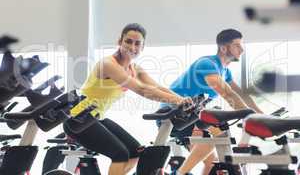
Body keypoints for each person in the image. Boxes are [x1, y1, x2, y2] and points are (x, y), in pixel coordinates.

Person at [63, 23, 192, 175]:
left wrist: (185, 101)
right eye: (128, 41)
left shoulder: (134, 69)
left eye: (138, 43)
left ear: (143, 47)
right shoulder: (108, 64)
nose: (132, 47)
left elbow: (157, 87)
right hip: (78, 118)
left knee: (135, 152)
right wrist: (178, 101)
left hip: (97, 117)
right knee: (120, 154)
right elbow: (142, 90)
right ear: (120, 41)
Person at [161, 29, 263, 175]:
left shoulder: (225, 72)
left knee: (210, 165)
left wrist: (263, 115)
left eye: (242, 45)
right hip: (175, 114)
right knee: (216, 137)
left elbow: (242, 95)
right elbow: (227, 93)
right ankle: (179, 174)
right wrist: (248, 115)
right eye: (237, 45)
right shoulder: (207, 63)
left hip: (192, 116)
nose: (242, 49)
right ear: (223, 48)